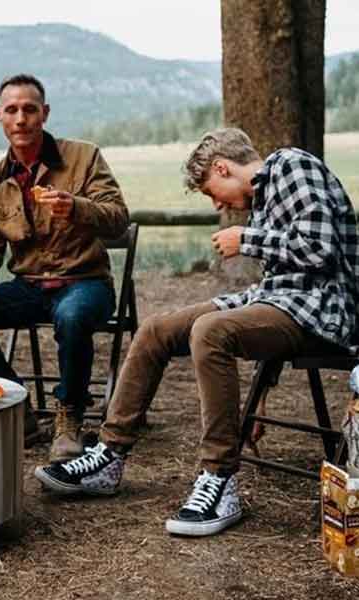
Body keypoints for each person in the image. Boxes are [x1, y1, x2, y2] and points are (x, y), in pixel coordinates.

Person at [34, 128, 359, 537]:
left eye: (212, 191)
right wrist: (259, 394)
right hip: (277, 302)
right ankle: (108, 455)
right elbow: (272, 305)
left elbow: (320, 249)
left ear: (223, 167)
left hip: (320, 309)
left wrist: (248, 238)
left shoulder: (291, 165)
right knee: (155, 330)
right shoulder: (264, 197)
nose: (218, 203)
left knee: (210, 330)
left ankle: (220, 480)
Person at [0, 73, 129, 455]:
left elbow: (117, 218)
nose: (21, 118)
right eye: (11, 110)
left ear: (44, 113)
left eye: (29, 109)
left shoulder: (84, 156)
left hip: (85, 282)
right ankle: (17, 409)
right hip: (29, 287)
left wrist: (77, 207)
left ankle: (69, 416)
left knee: (74, 315)